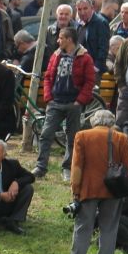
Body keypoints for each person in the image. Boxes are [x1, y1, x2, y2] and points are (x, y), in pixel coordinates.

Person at [57, 110, 128, 254]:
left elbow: (77, 167)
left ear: (94, 121)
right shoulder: (122, 138)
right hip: (114, 190)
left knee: (83, 226)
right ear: (111, 122)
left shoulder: (82, 136)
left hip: (89, 188)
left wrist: (75, 189)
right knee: (109, 227)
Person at [35, 26, 97, 182]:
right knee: (46, 134)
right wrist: (48, 98)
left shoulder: (85, 58)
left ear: (69, 39)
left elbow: (90, 82)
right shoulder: (56, 55)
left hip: (73, 104)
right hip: (55, 102)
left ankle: (67, 167)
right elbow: (48, 77)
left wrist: (79, 101)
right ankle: (41, 167)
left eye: (61, 38)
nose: (58, 40)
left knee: (72, 138)